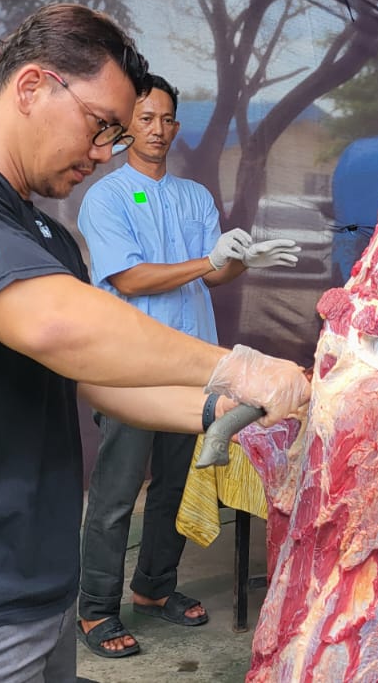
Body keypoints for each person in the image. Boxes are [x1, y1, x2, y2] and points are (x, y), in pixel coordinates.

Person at [0, 4, 310, 681]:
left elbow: (91, 378)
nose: (104, 155)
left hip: (32, 598)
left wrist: (219, 410)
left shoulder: (47, 239)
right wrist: (238, 366)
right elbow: (54, 324)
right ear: (34, 86)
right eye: (101, 128)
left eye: (117, 138)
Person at [73, 75, 297, 657]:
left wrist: (244, 263)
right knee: (118, 494)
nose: (158, 129)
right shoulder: (107, 196)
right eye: (146, 118)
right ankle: (96, 609)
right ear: (127, 126)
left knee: (176, 484)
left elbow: (214, 271)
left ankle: (153, 589)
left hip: (195, 367)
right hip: (131, 367)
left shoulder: (194, 195)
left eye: (167, 119)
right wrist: (208, 259)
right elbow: (128, 277)